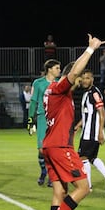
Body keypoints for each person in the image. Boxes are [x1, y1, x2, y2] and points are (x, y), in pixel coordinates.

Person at [42, 34, 105, 210]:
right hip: (60, 146)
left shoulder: (51, 91)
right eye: (77, 81)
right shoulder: (59, 89)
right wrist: (91, 49)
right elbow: (74, 72)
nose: (78, 84)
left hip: (49, 146)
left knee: (60, 191)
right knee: (84, 188)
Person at [74, 69, 105, 193]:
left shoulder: (94, 93)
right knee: (92, 158)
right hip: (87, 131)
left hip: (91, 133)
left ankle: (88, 186)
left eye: (88, 78)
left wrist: (100, 131)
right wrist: (78, 125)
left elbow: (102, 112)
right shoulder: (86, 93)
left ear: (92, 79)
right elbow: (87, 114)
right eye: (83, 78)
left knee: (82, 158)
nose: (85, 80)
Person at [27, 59, 61, 187]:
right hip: (42, 118)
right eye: (57, 68)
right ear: (50, 69)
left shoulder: (60, 83)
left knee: (53, 148)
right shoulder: (38, 83)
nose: (59, 70)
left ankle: (52, 176)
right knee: (42, 149)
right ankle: (43, 172)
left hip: (56, 119)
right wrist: (30, 119)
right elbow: (34, 101)